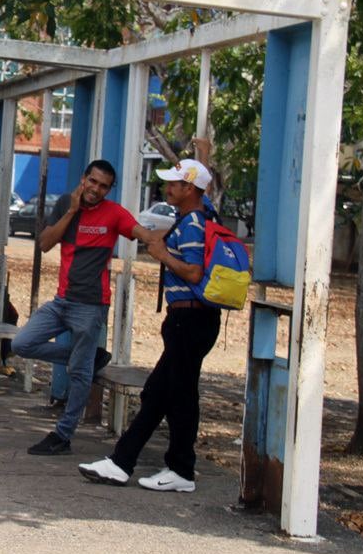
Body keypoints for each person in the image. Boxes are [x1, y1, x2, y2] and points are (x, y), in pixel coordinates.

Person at [80, 159, 222, 493]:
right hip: (189, 320)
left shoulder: (192, 224)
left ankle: (175, 469)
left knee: (176, 395)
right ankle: (127, 463)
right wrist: (204, 154)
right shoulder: (203, 214)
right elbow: (209, 192)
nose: (167, 188)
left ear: (190, 189)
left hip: (190, 318)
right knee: (161, 393)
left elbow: (194, 272)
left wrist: (161, 254)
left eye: (174, 183)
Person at [11, 160, 160, 456]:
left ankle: (63, 436)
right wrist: (72, 211)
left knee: (79, 373)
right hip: (61, 301)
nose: (96, 189)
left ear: (109, 189)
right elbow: (44, 244)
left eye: (103, 186)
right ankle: (87, 358)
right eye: (92, 181)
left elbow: (143, 234)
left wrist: (160, 243)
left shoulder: (114, 213)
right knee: (21, 343)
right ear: (84, 178)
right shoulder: (67, 203)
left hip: (90, 306)